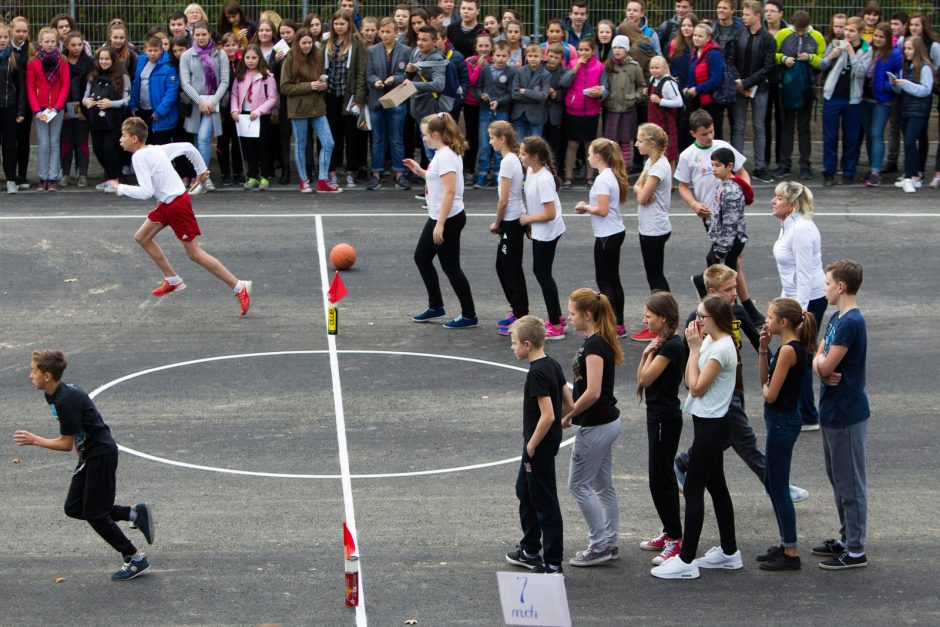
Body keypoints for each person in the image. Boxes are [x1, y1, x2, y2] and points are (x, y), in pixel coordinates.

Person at [14, 349, 156, 581]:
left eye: (34, 371)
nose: (30, 375)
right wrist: (83, 455)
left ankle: (135, 557)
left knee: (95, 514)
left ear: (47, 375)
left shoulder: (64, 400)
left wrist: (34, 440)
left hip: (100, 455)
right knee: (74, 507)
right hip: (90, 454)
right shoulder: (53, 394)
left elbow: (64, 444)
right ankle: (132, 514)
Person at [675, 264, 809, 504]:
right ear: (713, 291)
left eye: (735, 287)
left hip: (735, 387)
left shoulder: (736, 311)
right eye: (728, 289)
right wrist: (691, 387)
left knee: (727, 438)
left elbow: (757, 339)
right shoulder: (698, 320)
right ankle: (774, 484)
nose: (735, 292)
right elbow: (688, 355)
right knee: (746, 441)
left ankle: (684, 461)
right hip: (716, 392)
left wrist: (774, 365)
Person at [110, 116, 252, 315]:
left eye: (123, 136)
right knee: (142, 237)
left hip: (176, 206)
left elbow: (145, 192)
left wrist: (120, 188)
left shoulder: (139, 157)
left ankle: (239, 286)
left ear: (134, 138)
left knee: (195, 254)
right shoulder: (156, 149)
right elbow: (187, 147)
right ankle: (173, 279)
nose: (120, 139)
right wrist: (201, 170)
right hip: (168, 204)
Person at [651, 294, 741, 579]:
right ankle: (729, 552)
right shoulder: (712, 342)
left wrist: (692, 351)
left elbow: (695, 386)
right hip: (708, 424)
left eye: (702, 316)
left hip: (713, 427)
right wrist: (696, 349)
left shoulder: (720, 348)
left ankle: (686, 559)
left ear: (716, 319)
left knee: (692, 489)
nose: (696, 320)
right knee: (717, 488)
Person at [812, 259, 870, 570]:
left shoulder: (850, 323)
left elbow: (825, 364)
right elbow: (818, 359)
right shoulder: (837, 317)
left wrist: (820, 366)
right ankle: (847, 537)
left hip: (846, 413)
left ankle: (856, 549)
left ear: (841, 286)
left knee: (850, 483)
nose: (825, 288)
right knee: (838, 478)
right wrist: (820, 367)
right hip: (833, 411)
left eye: (828, 284)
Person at [676, 109, 760, 325]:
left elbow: (742, 173)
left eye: (712, 131)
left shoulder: (723, 148)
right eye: (704, 133)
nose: (709, 137)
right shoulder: (687, 156)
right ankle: (731, 304)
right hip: (711, 216)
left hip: (729, 211)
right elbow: (683, 186)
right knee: (728, 260)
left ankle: (734, 303)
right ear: (694, 133)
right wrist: (694, 204)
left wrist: (744, 191)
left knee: (732, 259)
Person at [562, 288, 624, 567]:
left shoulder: (594, 345)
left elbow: (593, 391)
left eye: (572, 313)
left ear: (587, 315)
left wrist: (569, 414)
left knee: (578, 484)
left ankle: (599, 545)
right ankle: (608, 541)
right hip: (606, 423)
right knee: (602, 484)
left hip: (596, 425)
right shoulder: (597, 341)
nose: (568, 317)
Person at [756, 297, 817, 571]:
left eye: (770, 317)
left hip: (782, 420)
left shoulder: (789, 352)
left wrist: (766, 390)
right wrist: (761, 350)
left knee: (779, 486)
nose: (766, 321)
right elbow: (765, 380)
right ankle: (785, 542)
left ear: (783, 322)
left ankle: (791, 551)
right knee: (772, 481)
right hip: (780, 420)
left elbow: (770, 393)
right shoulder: (785, 348)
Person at [504, 315, 567, 575]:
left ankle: (552, 562)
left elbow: (548, 414)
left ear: (528, 344)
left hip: (537, 446)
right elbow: (567, 397)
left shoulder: (537, 374)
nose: (512, 347)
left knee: (544, 502)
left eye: (515, 342)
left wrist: (531, 445)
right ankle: (530, 548)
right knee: (525, 490)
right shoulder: (551, 364)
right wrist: (569, 416)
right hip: (544, 441)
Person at [404, 112, 477, 329]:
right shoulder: (443, 153)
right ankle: (436, 305)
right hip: (441, 216)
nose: (424, 138)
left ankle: (469, 315)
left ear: (436, 134)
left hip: (447, 219)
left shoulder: (445, 155)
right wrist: (419, 171)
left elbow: (449, 191)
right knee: (422, 258)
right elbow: (437, 178)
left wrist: (440, 224)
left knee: (451, 267)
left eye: (425, 135)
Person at [770, 181, 827, 430]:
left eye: (778, 198)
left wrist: (800, 313)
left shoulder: (801, 229)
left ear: (791, 205)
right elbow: (790, 274)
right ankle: (804, 410)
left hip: (808, 298)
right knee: (799, 353)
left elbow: (803, 274)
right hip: (796, 296)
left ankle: (807, 414)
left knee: (799, 354)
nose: (773, 201)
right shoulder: (789, 225)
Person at [636, 291, 686, 566]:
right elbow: (642, 379)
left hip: (665, 419)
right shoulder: (664, 344)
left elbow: (644, 378)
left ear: (664, 318)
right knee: (659, 475)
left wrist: (647, 353)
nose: (645, 320)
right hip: (658, 416)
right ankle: (669, 531)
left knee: (661, 477)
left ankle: (675, 538)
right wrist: (648, 352)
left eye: (649, 316)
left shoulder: (672, 347)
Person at [574, 138, 628, 337]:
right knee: (613, 278)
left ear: (597, 157)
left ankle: (610, 324)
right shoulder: (610, 175)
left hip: (607, 234)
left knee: (605, 281)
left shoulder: (603, 179)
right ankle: (618, 323)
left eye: (589, 154)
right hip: (613, 232)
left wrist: (585, 207)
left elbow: (602, 210)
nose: (588, 158)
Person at [279, 28, 340, 193]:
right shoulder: (290, 59)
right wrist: (309, 86)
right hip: (298, 109)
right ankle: (304, 180)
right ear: (298, 43)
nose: (307, 45)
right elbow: (284, 87)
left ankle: (322, 180)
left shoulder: (318, 55)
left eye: (309, 42)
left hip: (318, 107)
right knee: (301, 144)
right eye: (303, 42)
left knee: (328, 143)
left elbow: (322, 78)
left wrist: (323, 85)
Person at [519, 136, 567, 339]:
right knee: (540, 271)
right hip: (540, 229)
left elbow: (549, 214)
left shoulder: (544, 179)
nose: (520, 157)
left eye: (523, 153)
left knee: (542, 273)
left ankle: (555, 324)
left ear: (535, 156)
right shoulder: (531, 170)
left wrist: (528, 219)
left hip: (548, 232)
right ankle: (557, 317)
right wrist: (532, 223)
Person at [632, 123, 673, 340]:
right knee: (654, 276)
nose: (636, 144)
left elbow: (640, 195)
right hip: (649, 227)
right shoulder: (651, 162)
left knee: (655, 277)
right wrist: (642, 189)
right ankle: (661, 318)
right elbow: (638, 187)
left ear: (652, 143)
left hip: (655, 229)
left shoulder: (658, 167)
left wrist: (642, 190)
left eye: (640, 140)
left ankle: (663, 321)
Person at [819, 17, 871, 186]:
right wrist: (830, 57)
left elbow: (861, 73)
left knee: (851, 137)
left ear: (860, 33)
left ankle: (848, 172)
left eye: (851, 31)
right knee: (830, 137)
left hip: (853, 99)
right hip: (832, 96)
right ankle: (829, 172)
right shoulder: (836, 44)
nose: (847, 33)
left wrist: (851, 53)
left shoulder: (866, 49)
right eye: (846, 30)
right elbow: (821, 65)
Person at [774, 10, 825, 180]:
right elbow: (772, 54)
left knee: (804, 128)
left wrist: (810, 57)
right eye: (798, 30)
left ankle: (805, 165)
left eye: (803, 30)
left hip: (806, 90)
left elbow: (823, 61)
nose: (800, 33)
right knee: (786, 128)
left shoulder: (817, 36)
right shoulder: (783, 34)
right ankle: (784, 164)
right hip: (786, 88)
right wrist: (783, 59)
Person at [179, 21, 230, 192]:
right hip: (195, 104)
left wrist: (212, 102)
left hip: (212, 104)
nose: (201, 38)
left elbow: (224, 81)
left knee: (203, 139)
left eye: (204, 34)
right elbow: (185, 83)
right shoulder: (187, 56)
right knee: (195, 141)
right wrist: (199, 101)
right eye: (197, 34)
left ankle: (204, 179)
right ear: (193, 35)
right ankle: (197, 176)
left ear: (209, 34)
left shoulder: (220, 54)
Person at [487, 121, 527, 336]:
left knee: (510, 268)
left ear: (502, 139)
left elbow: (503, 200)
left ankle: (521, 315)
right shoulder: (511, 160)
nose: (491, 142)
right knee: (504, 266)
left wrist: (497, 223)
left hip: (511, 220)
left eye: (492, 138)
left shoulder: (507, 163)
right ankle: (517, 310)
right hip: (512, 219)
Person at [731, 0, 777, 183]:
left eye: (747, 14)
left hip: (760, 88)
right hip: (739, 86)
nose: (743, 17)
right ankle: (736, 167)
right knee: (738, 127)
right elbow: (731, 58)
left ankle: (760, 166)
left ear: (757, 16)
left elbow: (768, 66)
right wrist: (738, 82)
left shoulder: (767, 39)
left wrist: (748, 82)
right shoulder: (739, 34)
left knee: (759, 127)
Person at [696, 147, 752, 291]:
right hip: (723, 243)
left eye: (718, 165)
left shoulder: (730, 190)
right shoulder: (724, 185)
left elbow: (729, 224)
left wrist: (720, 251)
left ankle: (728, 310)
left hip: (727, 245)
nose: (714, 169)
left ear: (730, 166)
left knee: (725, 285)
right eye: (712, 165)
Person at [365, 17, 411, 190]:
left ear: (395, 32)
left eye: (388, 32)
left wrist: (396, 78)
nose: (384, 35)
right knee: (377, 138)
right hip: (377, 99)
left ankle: (399, 174)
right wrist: (375, 80)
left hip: (397, 98)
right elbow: (368, 73)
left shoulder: (406, 51)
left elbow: (409, 75)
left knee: (396, 138)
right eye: (382, 32)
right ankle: (376, 173)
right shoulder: (372, 51)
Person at [324, 10, 366, 188]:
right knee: (332, 136)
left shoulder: (356, 42)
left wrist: (359, 97)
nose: (339, 26)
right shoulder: (327, 42)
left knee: (351, 136)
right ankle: (332, 172)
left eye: (342, 23)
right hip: (331, 95)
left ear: (349, 24)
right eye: (336, 23)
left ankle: (350, 172)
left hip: (349, 96)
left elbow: (360, 71)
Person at [560, 38, 607, 188]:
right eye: (581, 49)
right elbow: (564, 82)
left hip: (591, 111)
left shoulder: (600, 67)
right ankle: (568, 176)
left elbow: (605, 89)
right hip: (574, 110)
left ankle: (589, 176)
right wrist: (575, 68)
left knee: (590, 145)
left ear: (593, 51)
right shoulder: (572, 64)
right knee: (572, 144)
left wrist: (599, 93)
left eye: (587, 50)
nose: (583, 52)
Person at [26, 27, 68, 192]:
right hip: (40, 110)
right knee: (43, 144)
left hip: (56, 109)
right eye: (46, 41)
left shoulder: (62, 60)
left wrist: (58, 107)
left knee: (54, 143)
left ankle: (53, 178)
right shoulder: (33, 62)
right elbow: (30, 88)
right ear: (40, 43)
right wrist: (36, 110)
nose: (50, 45)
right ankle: (42, 178)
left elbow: (65, 85)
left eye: (53, 41)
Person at [889, 36, 934, 194]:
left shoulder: (924, 67)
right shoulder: (905, 66)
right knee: (908, 144)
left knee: (909, 142)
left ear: (917, 49)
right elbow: (902, 90)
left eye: (910, 48)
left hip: (918, 111)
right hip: (906, 109)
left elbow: (926, 90)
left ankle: (911, 177)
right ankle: (912, 175)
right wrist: (895, 85)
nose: (906, 52)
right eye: (905, 49)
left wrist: (906, 84)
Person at [230, 44, 277, 190]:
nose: (250, 61)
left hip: (260, 116)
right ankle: (252, 176)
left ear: (260, 59)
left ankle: (264, 176)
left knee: (262, 146)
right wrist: (234, 110)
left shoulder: (267, 76)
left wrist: (259, 111)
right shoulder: (240, 75)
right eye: (248, 57)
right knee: (249, 147)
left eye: (254, 58)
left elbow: (272, 98)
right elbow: (234, 94)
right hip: (244, 115)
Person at [860, 22, 902, 187]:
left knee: (877, 133)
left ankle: (876, 171)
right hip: (865, 98)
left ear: (887, 38)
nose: (877, 39)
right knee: (869, 135)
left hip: (882, 101)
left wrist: (887, 86)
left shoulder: (895, 54)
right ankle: (872, 168)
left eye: (881, 37)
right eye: (875, 35)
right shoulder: (868, 49)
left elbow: (897, 78)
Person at [85, 47, 130, 192]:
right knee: (98, 148)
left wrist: (112, 104)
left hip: (114, 119)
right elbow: (85, 96)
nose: (104, 62)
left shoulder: (122, 76)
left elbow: (127, 99)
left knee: (109, 147)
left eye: (107, 59)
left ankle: (116, 179)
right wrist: (87, 102)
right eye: (101, 59)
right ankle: (111, 176)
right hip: (97, 120)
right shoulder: (93, 75)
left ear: (113, 60)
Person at [473, 41, 515, 187]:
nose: (501, 58)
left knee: (501, 144)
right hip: (485, 111)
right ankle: (482, 174)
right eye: (498, 55)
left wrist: (500, 101)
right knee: (484, 144)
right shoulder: (485, 70)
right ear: (493, 55)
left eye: (504, 56)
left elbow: (511, 94)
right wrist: (481, 96)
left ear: (509, 56)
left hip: (502, 112)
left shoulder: (511, 72)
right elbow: (477, 88)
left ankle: (499, 173)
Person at [603, 36, 646, 168]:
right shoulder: (608, 65)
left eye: (621, 47)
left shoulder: (634, 66)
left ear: (626, 49)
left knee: (626, 141)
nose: (617, 50)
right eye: (615, 47)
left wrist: (635, 97)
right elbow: (603, 84)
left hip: (628, 109)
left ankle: (624, 167)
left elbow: (642, 86)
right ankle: (612, 167)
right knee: (611, 142)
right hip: (612, 108)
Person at [130, 37, 180, 147]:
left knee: (161, 147)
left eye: (156, 50)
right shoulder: (141, 62)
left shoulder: (168, 66)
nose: (153, 54)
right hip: (143, 111)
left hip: (159, 114)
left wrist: (160, 111)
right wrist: (133, 104)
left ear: (161, 50)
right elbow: (136, 85)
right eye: (150, 50)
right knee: (146, 146)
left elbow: (171, 92)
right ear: (145, 50)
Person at [59, 31, 91, 188]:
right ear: (66, 45)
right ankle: (65, 173)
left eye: (80, 44)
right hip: (64, 108)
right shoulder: (61, 61)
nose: (77, 48)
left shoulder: (89, 62)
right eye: (73, 45)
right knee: (66, 141)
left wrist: (84, 111)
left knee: (81, 141)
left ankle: (83, 174)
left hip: (83, 109)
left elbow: (91, 88)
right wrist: (62, 110)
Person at [684, 23, 725, 139]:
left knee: (713, 134)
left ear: (708, 38)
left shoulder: (714, 54)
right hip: (696, 100)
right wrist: (688, 87)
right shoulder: (695, 52)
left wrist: (697, 89)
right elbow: (693, 75)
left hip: (711, 101)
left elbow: (716, 79)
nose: (696, 38)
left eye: (700, 36)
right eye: (695, 35)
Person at [0, 22, 25, 194]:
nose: (2, 40)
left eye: (5, 37)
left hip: (9, 108)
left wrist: (20, 110)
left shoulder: (14, 58)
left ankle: (11, 179)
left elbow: (21, 87)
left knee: (10, 145)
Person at [463, 32, 492, 177]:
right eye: (481, 45)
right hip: (472, 103)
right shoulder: (470, 61)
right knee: (472, 136)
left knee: (489, 137)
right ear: (475, 47)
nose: (484, 48)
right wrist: (479, 67)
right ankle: (469, 168)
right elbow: (470, 82)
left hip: (489, 105)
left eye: (487, 45)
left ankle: (489, 169)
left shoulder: (496, 60)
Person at [10, 16, 34, 190]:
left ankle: (22, 175)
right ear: (11, 31)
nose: (21, 34)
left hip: (26, 102)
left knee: (23, 139)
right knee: (9, 140)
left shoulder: (31, 51)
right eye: (18, 31)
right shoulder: (5, 49)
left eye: (24, 31)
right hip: (8, 101)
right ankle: (10, 174)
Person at [668, 13, 698, 153]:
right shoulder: (674, 44)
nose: (686, 28)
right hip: (676, 90)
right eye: (684, 25)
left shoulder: (697, 46)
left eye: (690, 25)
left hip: (692, 91)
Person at [646, 55, 682, 166]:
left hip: (666, 124)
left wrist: (661, 101)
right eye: (652, 68)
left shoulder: (668, 83)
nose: (654, 70)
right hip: (653, 123)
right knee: (654, 152)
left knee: (668, 154)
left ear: (665, 68)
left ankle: (669, 181)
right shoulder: (652, 80)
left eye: (657, 68)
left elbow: (679, 102)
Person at [510, 43, 550, 139]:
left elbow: (543, 96)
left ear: (542, 57)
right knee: (519, 145)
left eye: (536, 56)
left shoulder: (545, 74)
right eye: (530, 56)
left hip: (536, 115)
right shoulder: (519, 71)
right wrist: (535, 96)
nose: (533, 58)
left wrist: (525, 91)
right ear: (526, 56)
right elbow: (514, 94)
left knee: (535, 146)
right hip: (519, 114)